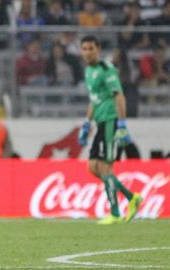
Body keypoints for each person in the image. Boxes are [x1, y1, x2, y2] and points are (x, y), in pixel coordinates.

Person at [78, 35, 142, 225]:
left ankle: (114, 212)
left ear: (98, 49)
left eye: (91, 48)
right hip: (99, 122)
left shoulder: (107, 70)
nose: (88, 52)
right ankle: (131, 197)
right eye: (84, 49)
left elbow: (119, 96)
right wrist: (86, 123)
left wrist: (122, 124)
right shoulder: (89, 71)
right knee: (92, 167)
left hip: (111, 122)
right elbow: (94, 99)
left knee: (105, 167)